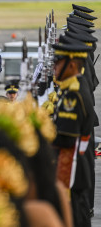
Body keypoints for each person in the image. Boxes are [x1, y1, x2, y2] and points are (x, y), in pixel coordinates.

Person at [51, 34, 94, 227]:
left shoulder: (73, 95)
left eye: (58, 63)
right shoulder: (72, 87)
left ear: (72, 65)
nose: (55, 67)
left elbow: (65, 139)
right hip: (75, 167)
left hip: (72, 169)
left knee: (74, 219)